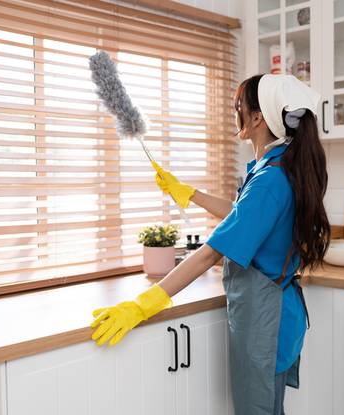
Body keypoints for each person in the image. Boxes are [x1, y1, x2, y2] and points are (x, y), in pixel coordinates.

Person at [90, 74, 331, 415]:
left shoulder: (270, 180)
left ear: (258, 117)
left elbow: (209, 253)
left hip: (266, 320)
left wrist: (143, 305)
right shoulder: (277, 168)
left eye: (238, 108)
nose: (236, 115)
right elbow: (244, 217)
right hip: (276, 313)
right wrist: (189, 193)